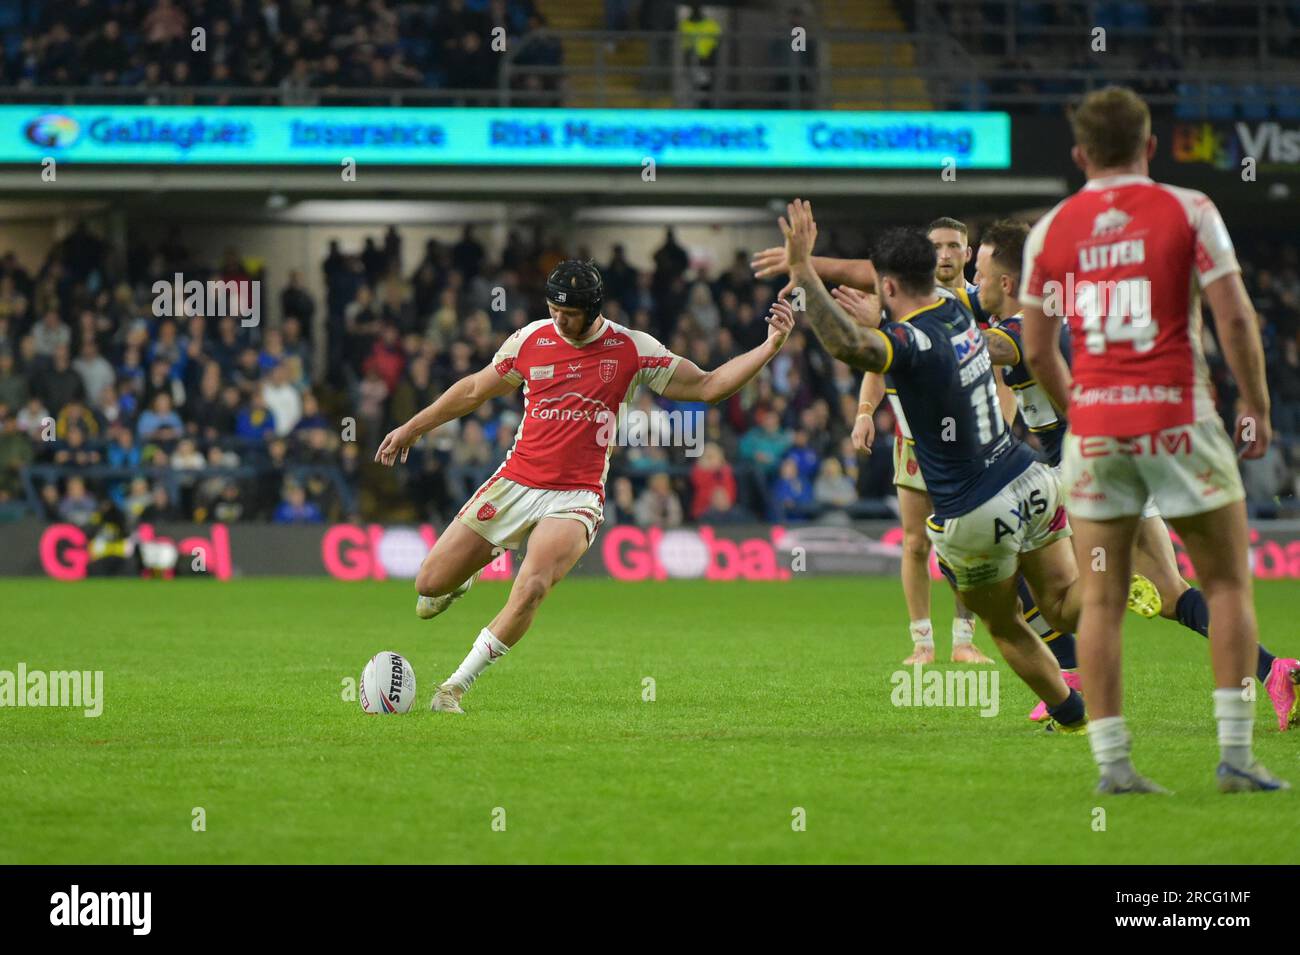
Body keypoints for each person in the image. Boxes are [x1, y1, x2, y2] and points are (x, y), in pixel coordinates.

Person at [375, 260, 794, 714]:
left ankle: (453, 687)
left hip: (576, 496)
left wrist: (770, 346)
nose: (559, 320)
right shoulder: (531, 339)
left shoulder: (632, 348)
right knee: (429, 582)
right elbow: (476, 388)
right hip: (515, 481)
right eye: (553, 309)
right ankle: (468, 573)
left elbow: (710, 386)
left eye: (569, 313)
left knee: (532, 585)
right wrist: (413, 428)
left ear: (593, 309)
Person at [1020, 86, 1289, 793]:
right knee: (1226, 580)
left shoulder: (1050, 231)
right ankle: (1234, 756)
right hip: (1179, 419)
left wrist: (1087, 408)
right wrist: (1256, 405)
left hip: (1099, 433)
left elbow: (1039, 349)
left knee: (1103, 598)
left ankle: (1114, 765)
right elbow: (1234, 318)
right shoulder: (1190, 209)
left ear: (1080, 155)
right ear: (1150, 146)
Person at [974, 217, 1299, 728]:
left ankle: (1074, 666)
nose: (975, 281)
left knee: (997, 548)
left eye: (980, 271)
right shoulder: (1070, 311)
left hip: (1083, 471)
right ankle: (1276, 671)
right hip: (1129, 457)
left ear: (1008, 283)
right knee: (1174, 595)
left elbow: (992, 347)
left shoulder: (1019, 332)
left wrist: (929, 343)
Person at [782, 202, 1087, 733]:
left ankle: (1072, 714)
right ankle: (1119, 579)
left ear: (890, 288)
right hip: (1032, 476)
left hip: (975, 508)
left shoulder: (908, 342)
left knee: (1008, 625)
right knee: (1062, 606)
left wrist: (804, 272)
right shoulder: (959, 313)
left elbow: (848, 345)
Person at [751, 219, 1002, 666]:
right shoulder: (909, 303)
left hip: (965, 445)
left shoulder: (975, 303)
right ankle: (922, 642)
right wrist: (865, 412)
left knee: (967, 543)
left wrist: (807, 266)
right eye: (936, 246)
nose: (944, 254)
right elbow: (879, 357)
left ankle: (964, 638)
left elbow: (995, 372)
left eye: (953, 246)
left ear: (968, 254)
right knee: (914, 542)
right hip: (912, 441)